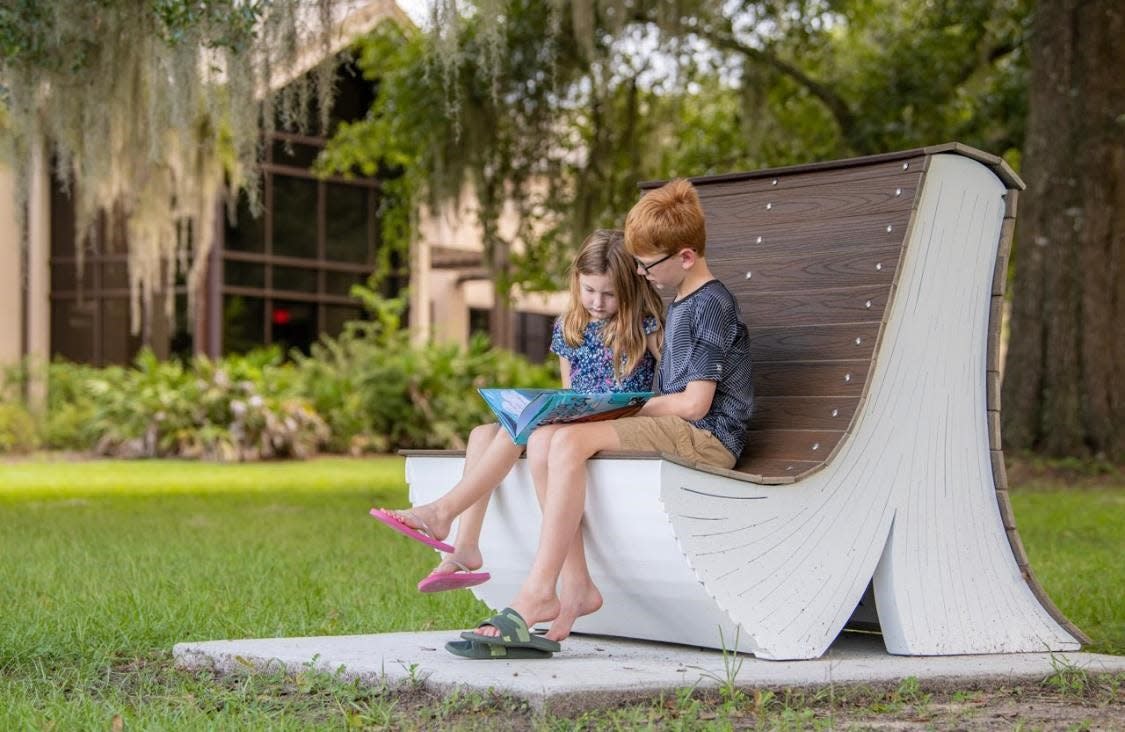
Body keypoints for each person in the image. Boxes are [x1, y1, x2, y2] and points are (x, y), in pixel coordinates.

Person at [460, 178, 754, 656]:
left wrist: (624, 407)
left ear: (684, 256)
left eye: (645, 265)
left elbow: (695, 404)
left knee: (570, 440)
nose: (640, 273)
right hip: (677, 425)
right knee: (543, 438)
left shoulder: (711, 306)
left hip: (707, 436)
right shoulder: (680, 300)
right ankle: (574, 586)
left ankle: (540, 592)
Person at [370, 229, 664, 594]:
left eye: (609, 294)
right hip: (576, 419)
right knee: (482, 433)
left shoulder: (644, 324)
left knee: (520, 428)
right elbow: (568, 390)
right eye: (589, 290)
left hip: (621, 423)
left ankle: (442, 512)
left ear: (630, 289)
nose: (598, 302)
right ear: (576, 282)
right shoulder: (570, 326)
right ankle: (466, 547)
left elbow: (669, 384)